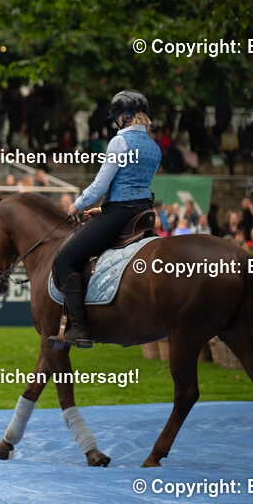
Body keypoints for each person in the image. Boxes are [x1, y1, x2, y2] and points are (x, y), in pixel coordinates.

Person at [50, 90, 162, 348]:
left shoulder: (119, 142)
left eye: (117, 118)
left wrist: (77, 205)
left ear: (123, 117)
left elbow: (101, 184)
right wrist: (100, 210)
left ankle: (80, 328)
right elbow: (135, 186)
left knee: (63, 260)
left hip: (119, 214)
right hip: (142, 213)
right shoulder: (154, 148)